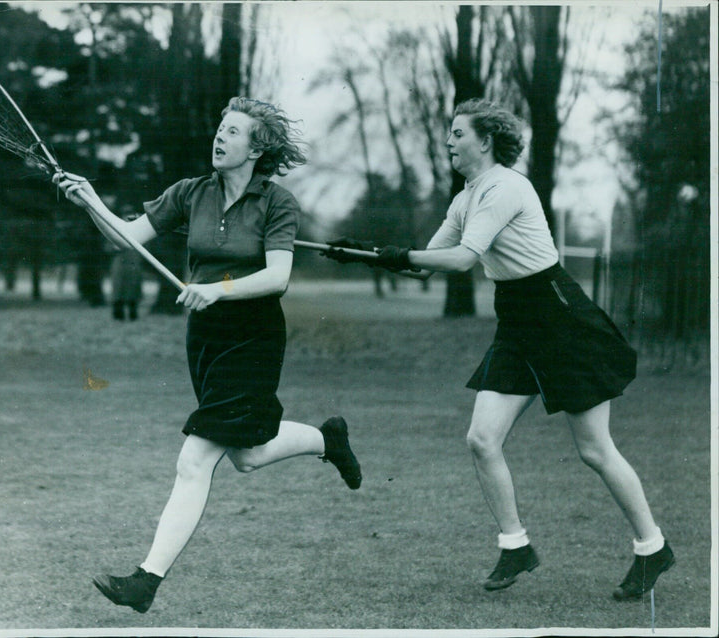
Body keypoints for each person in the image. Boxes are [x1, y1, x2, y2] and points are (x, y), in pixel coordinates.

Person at [324, 98, 673, 600]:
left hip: (561, 320)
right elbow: (427, 263)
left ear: (485, 141)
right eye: (449, 133)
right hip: (517, 323)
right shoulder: (466, 197)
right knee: (481, 439)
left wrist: (394, 256)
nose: (449, 142)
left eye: (457, 133)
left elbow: (463, 259)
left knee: (595, 449)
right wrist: (369, 256)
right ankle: (515, 544)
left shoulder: (506, 186)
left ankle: (652, 546)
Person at [55, 97, 362, 613]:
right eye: (220, 128)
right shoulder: (191, 194)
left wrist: (217, 289)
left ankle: (145, 582)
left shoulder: (277, 203)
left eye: (234, 131)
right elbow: (127, 240)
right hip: (205, 339)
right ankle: (325, 438)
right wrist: (90, 202)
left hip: (253, 334)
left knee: (195, 458)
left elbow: (278, 276)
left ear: (257, 148)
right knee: (245, 455)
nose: (220, 137)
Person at [109, 212, 143, 321]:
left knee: (133, 287)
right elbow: (109, 247)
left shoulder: (140, 233)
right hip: (120, 261)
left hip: (133, 261)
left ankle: (133, 313)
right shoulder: (114, 231)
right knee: (118, 287)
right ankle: (118, 314)